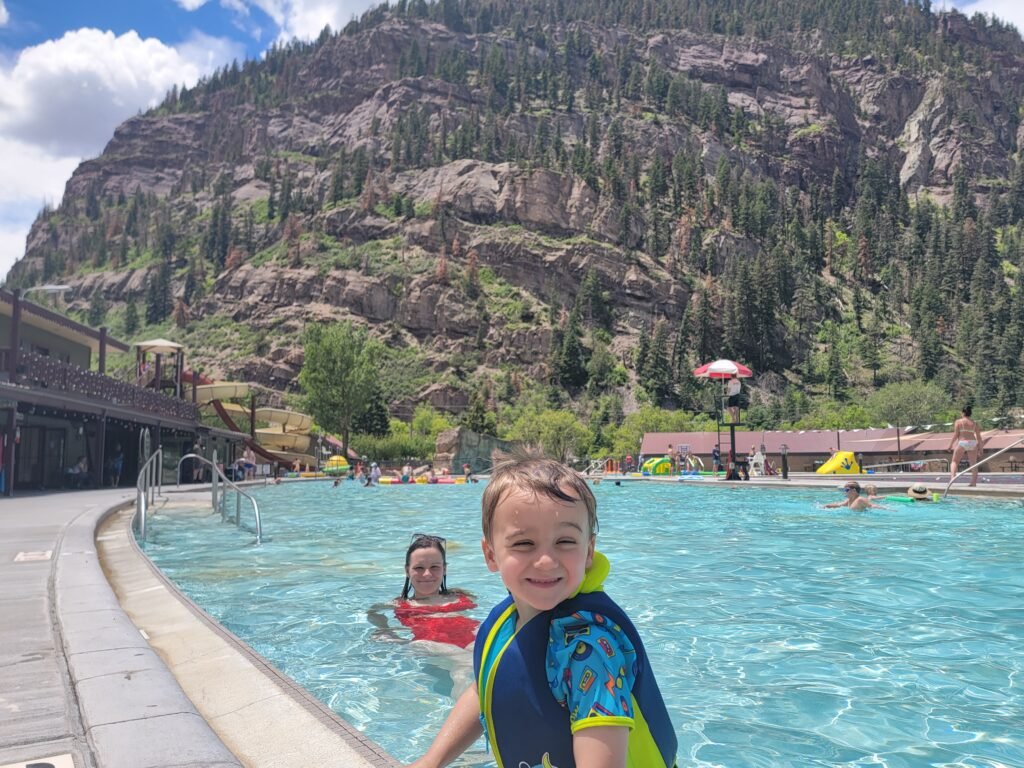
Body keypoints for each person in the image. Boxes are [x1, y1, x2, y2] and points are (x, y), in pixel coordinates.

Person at [409, 452, 677, 768]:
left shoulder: (588, 648)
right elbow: (485, 692)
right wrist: (431, 761)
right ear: (491, 554)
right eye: (524, 544)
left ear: (588, 552)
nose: (546, 561)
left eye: (564, 541)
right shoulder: (504, 624)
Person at [949, 405, 984, 486]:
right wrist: (981, 449)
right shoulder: (975, 423)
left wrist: (950, 445)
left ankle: (952, 479)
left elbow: (956, 435)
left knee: (954, 461)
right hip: (972, 443)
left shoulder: (958, 422)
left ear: (963, 413)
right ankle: (973, 483)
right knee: (973, 463)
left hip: (962, 442)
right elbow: (979, 438)